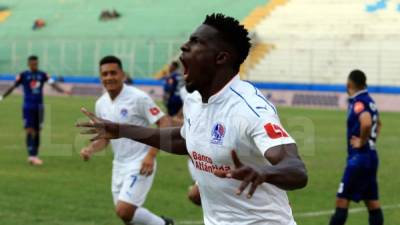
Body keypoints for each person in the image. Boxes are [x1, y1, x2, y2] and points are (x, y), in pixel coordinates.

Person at [77, 14, 308, 225]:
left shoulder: (249, 109)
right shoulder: (195, 100)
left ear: (220, 57)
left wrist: (264, 174)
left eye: (197, 42)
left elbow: (296, 169)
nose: (184, 46)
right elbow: (183, 139)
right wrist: (121, 130)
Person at [79, 56, 174, 225]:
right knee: (127, 217)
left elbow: (164, 121)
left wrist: (151, 155)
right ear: (101, 77)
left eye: (113, 73)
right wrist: (90, 149)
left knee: (125, 209)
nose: (109, 77)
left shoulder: (138, 98)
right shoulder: (101, 104)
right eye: (105, 74)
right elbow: (105, 139)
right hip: (119, 165)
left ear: (122, 74)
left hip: (140, 161)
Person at [329, 70, 383, 225]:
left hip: (358, 159)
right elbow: (378, 124)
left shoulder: (359, 102)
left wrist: (362, 141)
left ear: (349, 84)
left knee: (342, 201)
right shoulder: (370, 101)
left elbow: (366, 122)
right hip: (371, 157)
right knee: (372, 202)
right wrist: (371, 142)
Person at [0, 55, 70, 165]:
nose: (34, 66)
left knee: (37, 131)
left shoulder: (43, 75)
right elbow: (13, 87)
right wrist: (2, 96)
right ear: (28, 64)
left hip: (39, 107)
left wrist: (63, 91)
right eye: (32, 64)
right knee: (29, 130)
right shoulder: (23, 75)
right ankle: (31, 155)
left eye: (36, 64)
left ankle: (35, 155)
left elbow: (53, 84)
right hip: (28, 106)